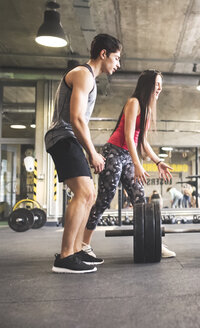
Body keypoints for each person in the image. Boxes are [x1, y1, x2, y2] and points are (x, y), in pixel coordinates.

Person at [45, 33, 122, 273]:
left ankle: (77, 250)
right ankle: (65, 256)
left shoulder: (89, 78)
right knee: (85, 192)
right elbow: (76, 118)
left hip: (70, 138)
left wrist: (90, 150)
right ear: (103, 54)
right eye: (116, 58)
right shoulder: (82, 74)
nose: (118, 64)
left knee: (90, 194)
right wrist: (91, 152)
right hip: (62, 136)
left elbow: (80, 121)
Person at [83, 69, 176, 260]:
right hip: (114, 152)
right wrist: (137, 164)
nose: (160, 88)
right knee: (105, 198)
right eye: (157, 84)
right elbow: (127, 136)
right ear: (147, 85)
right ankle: (83, 244)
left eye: (161, 85)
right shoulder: (133, 103)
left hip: (128, 155)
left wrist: (158, 161)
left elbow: (142, 141)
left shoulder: (148, 109)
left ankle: (154, 243)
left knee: (140, 199)